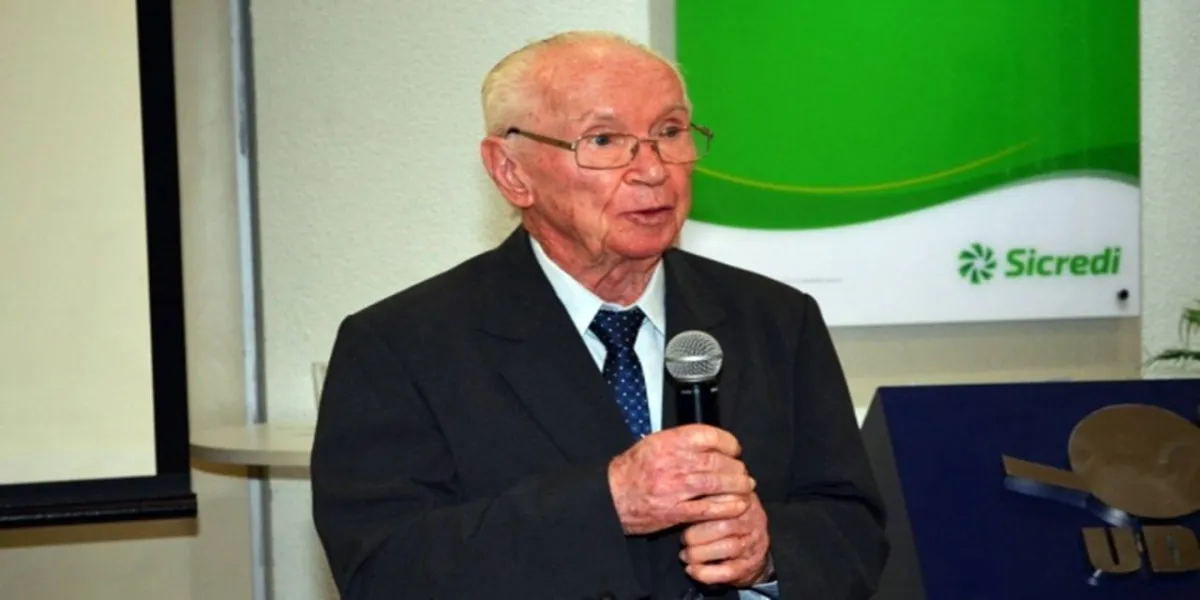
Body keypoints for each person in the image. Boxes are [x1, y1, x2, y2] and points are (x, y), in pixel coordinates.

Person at [310, 31, 889, 599]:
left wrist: (767, 555)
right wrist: (606, 503)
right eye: (605, 140)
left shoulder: (777, 320)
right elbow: (383, 570)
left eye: (670, 132)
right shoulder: (401, 345)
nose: (653, 169)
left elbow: (852, 525)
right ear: (511, 171)